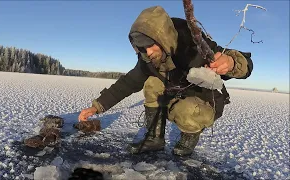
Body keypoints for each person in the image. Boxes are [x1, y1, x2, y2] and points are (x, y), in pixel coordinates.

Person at [78, 6, 253, 157]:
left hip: (205, 100)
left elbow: (245, 64)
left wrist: (231, 62)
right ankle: (154, 139)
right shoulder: (149, 59)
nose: (147, 51)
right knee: (152, 83)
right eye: (141, 47)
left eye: (150, 44)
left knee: (186, 111)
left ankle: (188, 140)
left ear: (163, 37)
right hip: (177, 93)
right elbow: (128, 82)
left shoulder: (195, 45)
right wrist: (97, 106)